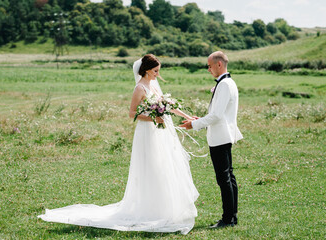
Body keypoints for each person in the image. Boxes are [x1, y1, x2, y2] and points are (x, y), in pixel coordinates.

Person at [38, 54, 199, 235]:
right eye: (155, 71)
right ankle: (148, 209)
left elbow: (169, 105)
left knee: (162, 166)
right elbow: (132, 114)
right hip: (147, 132)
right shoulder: (139, 88)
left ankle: (163, 207)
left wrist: (187, 117)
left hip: (159, 132)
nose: (157, 74)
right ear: (146, 70)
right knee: (150, 167)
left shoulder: (153, 85)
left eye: (158, 71)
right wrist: (154, 117)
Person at [180, 51, 243, 229]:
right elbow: (217, 113)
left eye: (209, 66)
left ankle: (227, 219)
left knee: (224, 179)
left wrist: (194, 125)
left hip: (220, 137)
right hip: (224, 135)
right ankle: (232, 216)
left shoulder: (224, 85)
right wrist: (197, 120)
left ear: (219, 65)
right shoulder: (229, 82)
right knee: (229, 177)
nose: (208, 69)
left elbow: (216, 115)